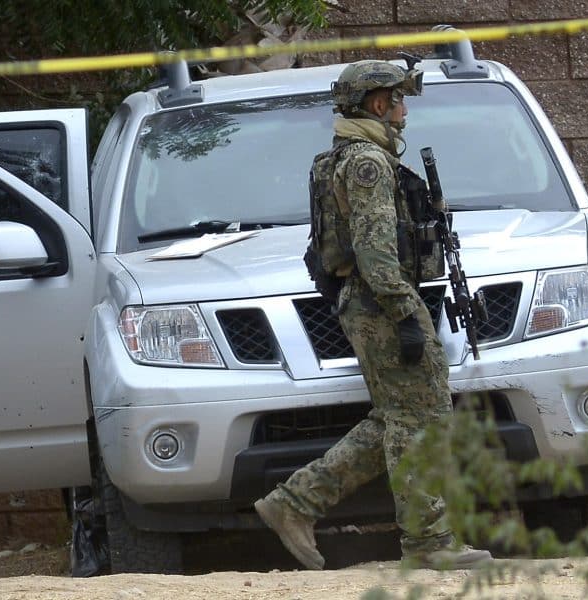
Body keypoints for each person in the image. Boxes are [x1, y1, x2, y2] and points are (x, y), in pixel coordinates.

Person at [253, 60, 492, 570]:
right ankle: (428, 543)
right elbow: (375, 250)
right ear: (378, 104)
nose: (405, 112)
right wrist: (404, 313)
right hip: (382, 301)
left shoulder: (345, 156)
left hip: (369, 301)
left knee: (399, 417)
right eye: (399, 100)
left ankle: (294, 503)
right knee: (423, 418)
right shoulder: (368, 163)